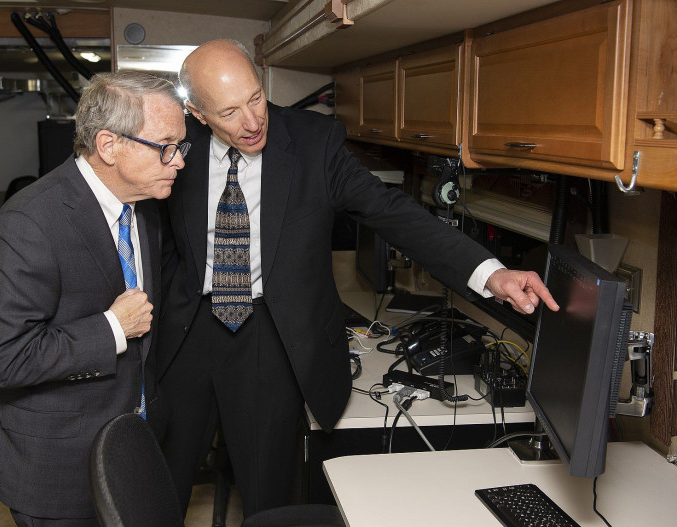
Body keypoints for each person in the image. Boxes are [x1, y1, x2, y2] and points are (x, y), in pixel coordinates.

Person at [156, 39, 559, 519]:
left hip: (269, 333)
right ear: (198, 114)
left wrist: (491, 274)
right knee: (160, 486)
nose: (251, 121)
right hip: (187, 330)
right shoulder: (173, 146)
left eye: (256, 99)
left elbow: (393, 212)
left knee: (268, 498)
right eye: (228, 112)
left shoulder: (312, 141)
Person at [0, 71, 188, 526]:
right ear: (109, 146)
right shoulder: (28, 222)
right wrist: (113, 327)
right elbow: (8, 358)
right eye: (166, 146)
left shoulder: (144, 206)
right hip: (58, 466)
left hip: (133, 443)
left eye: (181, 146)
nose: (178, 162)